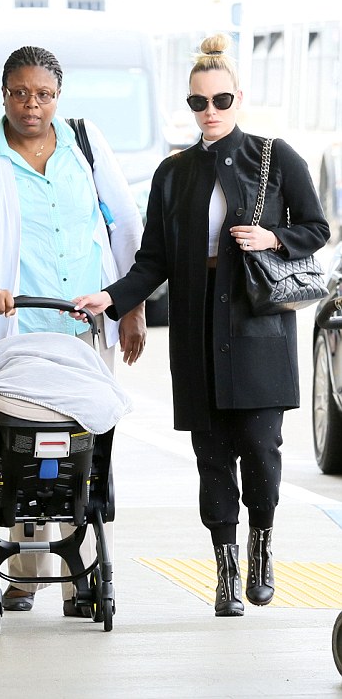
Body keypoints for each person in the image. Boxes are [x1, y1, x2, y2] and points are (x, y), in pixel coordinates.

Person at [71, 33, 330, 617]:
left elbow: (317, 228)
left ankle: (261, 548)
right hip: (196, 324)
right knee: (211, 458)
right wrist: (111, 299)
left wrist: (273, 237)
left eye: (220, 101)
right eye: (197, 103)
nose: (209, 112)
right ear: (187, 105)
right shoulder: (174, 172)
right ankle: (227, 570)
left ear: (239, 98)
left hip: (257, 319)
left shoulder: (275, 156)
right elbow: (154, 261)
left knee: (261, 451)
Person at [0, 45, 146, 615]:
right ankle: (26, 574)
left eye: (44, 94)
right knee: (20, 450)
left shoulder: (84, 142)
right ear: (4, 93)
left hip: (81, 327)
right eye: (21, 93)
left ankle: (82, 571)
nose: (33, 105)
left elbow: (126, 222)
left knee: (82, 448)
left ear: (60, 96)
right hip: (15, 330)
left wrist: (130, 306)